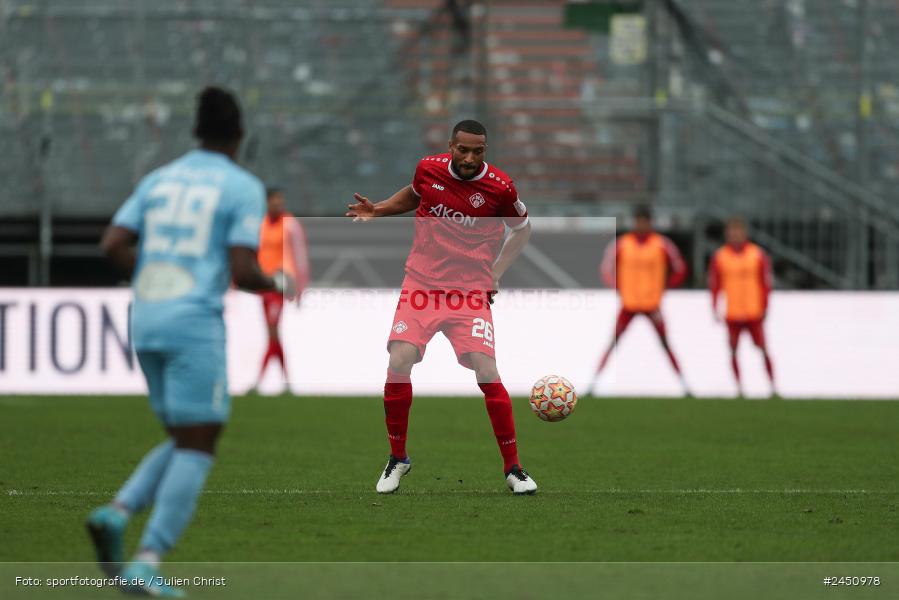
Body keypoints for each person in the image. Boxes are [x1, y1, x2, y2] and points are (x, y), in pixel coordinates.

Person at [87, 87, 294, 597]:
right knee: (202, 443)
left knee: (185, 437)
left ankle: (116, 515)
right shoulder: (241, 186)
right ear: (240, 134)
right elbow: (244, 271)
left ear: (195, 131)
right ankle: (147, 559)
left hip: (147, 316)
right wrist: (276, 283)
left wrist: (158, 277)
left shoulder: (159, 178)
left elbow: (113, 243)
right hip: (193, 321)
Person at [346, 119, 537, 495]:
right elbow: (416, 194)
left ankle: (513, 469)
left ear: (486, 149)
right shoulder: (428, 168)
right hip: (421, 284)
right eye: (462, 149)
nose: (468, 158)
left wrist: (495, 272)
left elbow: (523, 228)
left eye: (477, 151)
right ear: (451, 145)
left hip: (468, 294)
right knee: (399, 361)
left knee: (486, 371)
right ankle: (397, 457)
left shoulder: (500, 187)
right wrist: (380, 209)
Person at [589, 205, 692, 396]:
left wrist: (664, 287)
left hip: (652, 305)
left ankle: (684, 385)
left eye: (644, 221)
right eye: (638, 220)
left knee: (665, 344)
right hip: (628, 304)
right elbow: (607, 269)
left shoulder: (661, 244)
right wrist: (618, 288)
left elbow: (680, 269)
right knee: (613, 343)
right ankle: (593, 384)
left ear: (649, 222)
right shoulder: (622, 244)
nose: (641, 224)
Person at [708, 218, 778, 398]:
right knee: (732, 350)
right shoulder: (721, 256)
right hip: (733, 311)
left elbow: (766, 283)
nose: (735, 235)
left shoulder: (756, 254)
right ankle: (739, 388)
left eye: (738, 231)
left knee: (762, 348)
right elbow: (715, 284)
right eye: (731, 232)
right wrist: (715, 305)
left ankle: (773, 386)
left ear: (745, 233)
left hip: (753, 311)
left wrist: (765, 305)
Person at [250, 185, 309, 394]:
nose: (278, 204)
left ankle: (260, 381)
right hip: (262, 285)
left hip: (280, 285)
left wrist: (300, 287)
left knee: (273, 332)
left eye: (280, 200)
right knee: (273, 335)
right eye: (274, 200)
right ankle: (285, 383)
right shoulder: (261, 224)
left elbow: (300, 256)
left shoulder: (290, 224)